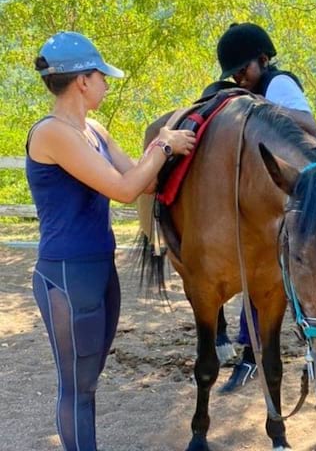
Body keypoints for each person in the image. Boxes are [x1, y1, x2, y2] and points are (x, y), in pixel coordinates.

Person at [27, 31, 196, 451]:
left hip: (100, 270)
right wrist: (162, 143)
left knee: (90, 381)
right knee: (78, 388)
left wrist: (171, 147)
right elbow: (122, 189)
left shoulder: (94, 129)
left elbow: (144, 181)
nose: (106, 83)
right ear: (82, 80)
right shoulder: (52, 133)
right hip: (67, 275)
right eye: (102, 76)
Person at [214, 22, 316, 394]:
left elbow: (311, 127)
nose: (240, 78)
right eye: (234, 74)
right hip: (262, 195)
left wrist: (257, 107)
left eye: (243, 70)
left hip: (290, 196)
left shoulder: (278, 85)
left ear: (263, 59)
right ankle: (249, 348)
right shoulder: (256, 87)